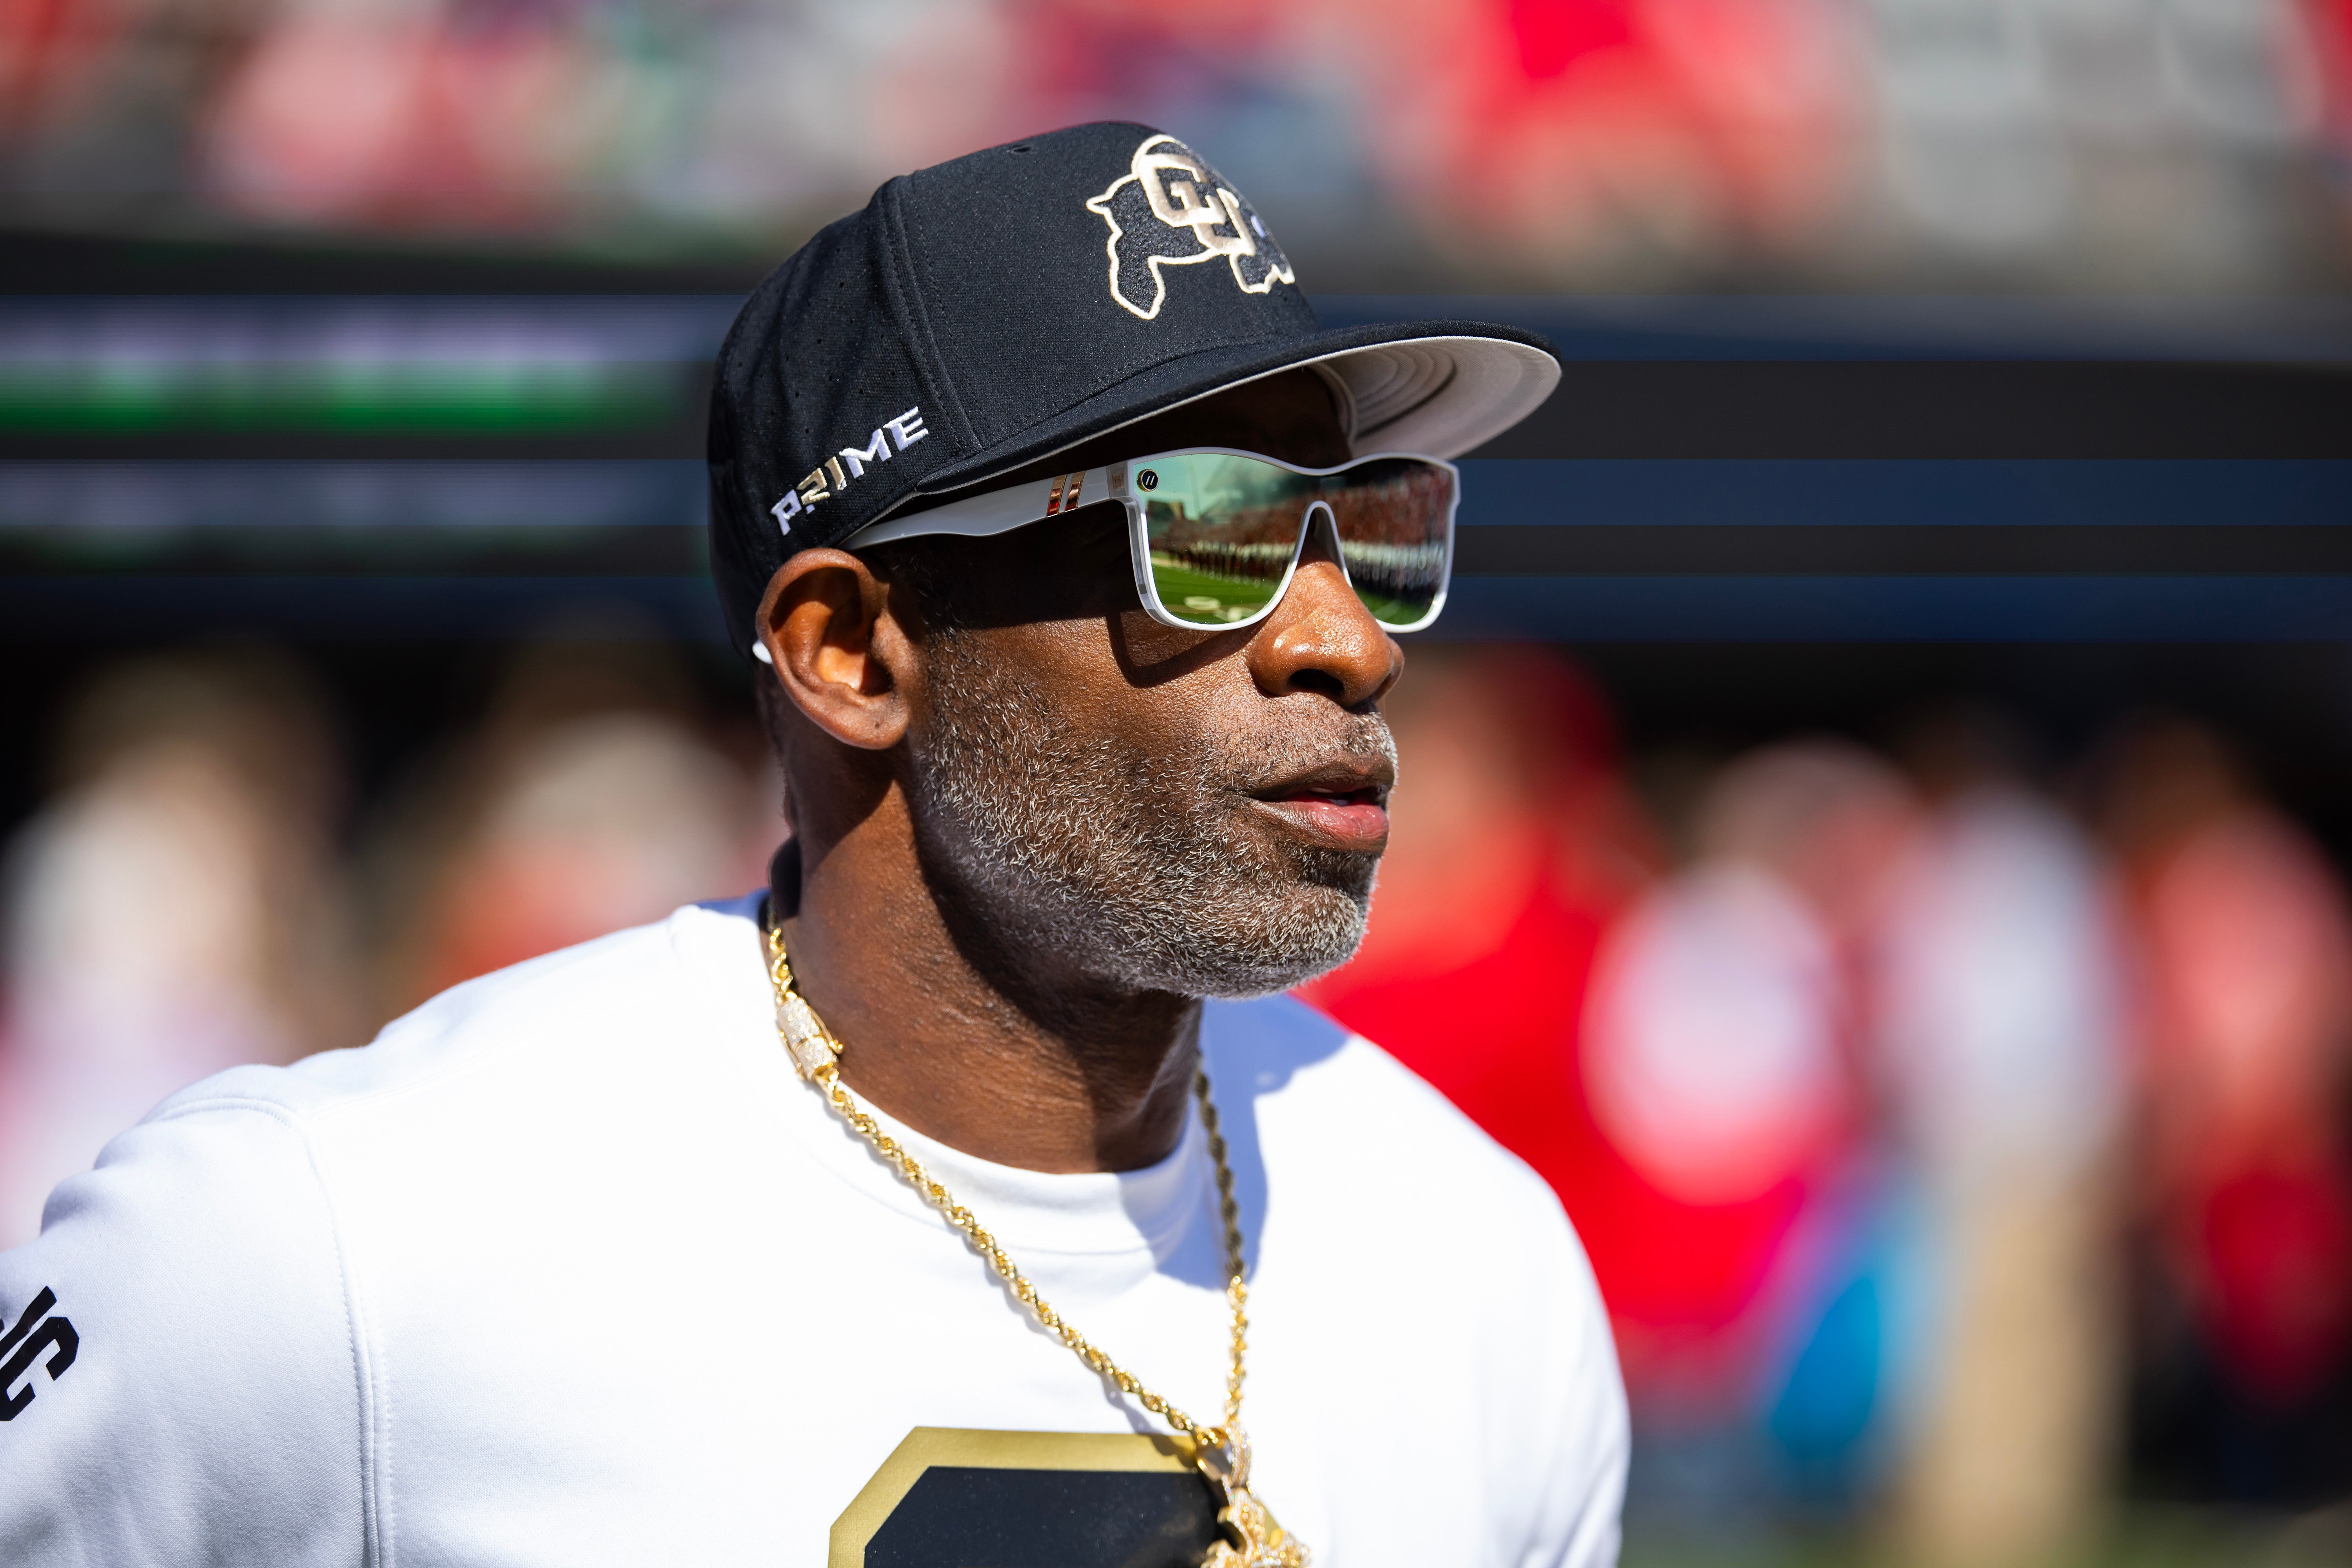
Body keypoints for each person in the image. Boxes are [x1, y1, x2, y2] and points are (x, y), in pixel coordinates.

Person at [0, 123, 1626, 1567]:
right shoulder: (321, 1249)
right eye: (1210, 530)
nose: (1350, 637)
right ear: (852, 651)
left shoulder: (1478, 1265)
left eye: (1380, 523)